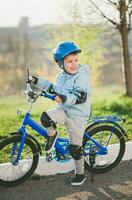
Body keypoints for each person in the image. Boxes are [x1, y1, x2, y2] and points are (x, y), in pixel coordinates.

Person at [30, 41, 91, 186]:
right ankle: (52, 136)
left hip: (77, 115)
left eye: (76, 60)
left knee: (75, 148)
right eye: (70, 61)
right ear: (60, 63)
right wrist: (36, 80)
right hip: (64, 110)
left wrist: (63, 97)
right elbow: (52, 87)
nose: (74, 64)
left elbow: (80, 96)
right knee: (46, 117)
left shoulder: (81, 75)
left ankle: (80, 174)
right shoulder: (61, 76)